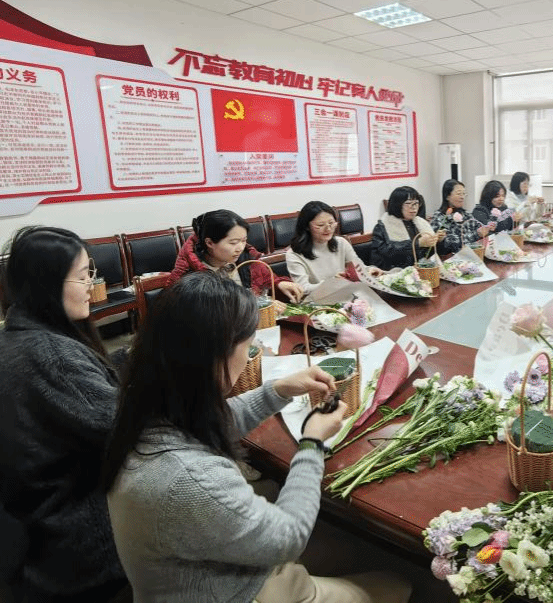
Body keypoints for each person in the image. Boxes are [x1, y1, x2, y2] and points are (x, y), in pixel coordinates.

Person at [103, 272, 410, 603]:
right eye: (248, 346)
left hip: (213, 568)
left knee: (344, 547)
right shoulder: (191, 480)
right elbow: (289, 538)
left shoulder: (144, 406)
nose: (250, 355)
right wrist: (312, 443)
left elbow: (213, 423)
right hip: (236, 592)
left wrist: (278, 390)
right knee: (400, 583)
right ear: (215, 356)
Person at [0, 226, 129, 602]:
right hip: (79, 545)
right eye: (84, 275)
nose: (93, 285)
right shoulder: (54, 357)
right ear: (46, 283)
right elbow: (129, 433)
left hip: (32, 528)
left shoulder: (16, 335)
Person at [167, 209, 303, 304]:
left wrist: (279, 283)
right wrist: (256, 307)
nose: (240, 248)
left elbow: (264, 276)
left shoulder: (246, 258)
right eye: (233, 243)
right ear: (209, 243)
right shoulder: (188, 275)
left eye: (244, 241)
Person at [286, 201, 378, 295]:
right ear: (307, 227)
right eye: (320, 225)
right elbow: (303, 288)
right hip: (318, 301)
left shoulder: (341, 243)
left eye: (331, 223)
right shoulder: (294, 254)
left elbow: (359, 267)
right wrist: (332, 283)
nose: (328, 229)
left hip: (346, 295)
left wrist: (369, 271)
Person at [371, 186, 450, 270]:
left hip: (421, 271)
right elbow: (386, 253)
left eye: (416, 203)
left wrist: (438, 241)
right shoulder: (382, 226)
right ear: (397, 205)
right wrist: (417, 243)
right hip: (392, 272)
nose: (413, 207)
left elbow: (431, 254)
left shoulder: (419, 223)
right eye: (408, 203)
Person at [429, 179, 492, 250]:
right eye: (459, 194)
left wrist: (485, 230)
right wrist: (476, 234)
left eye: (463, 194)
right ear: (447, 196)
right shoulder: (439, 216)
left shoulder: (466, 214)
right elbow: (449, 243)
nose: (462, 197)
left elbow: (478, 229)